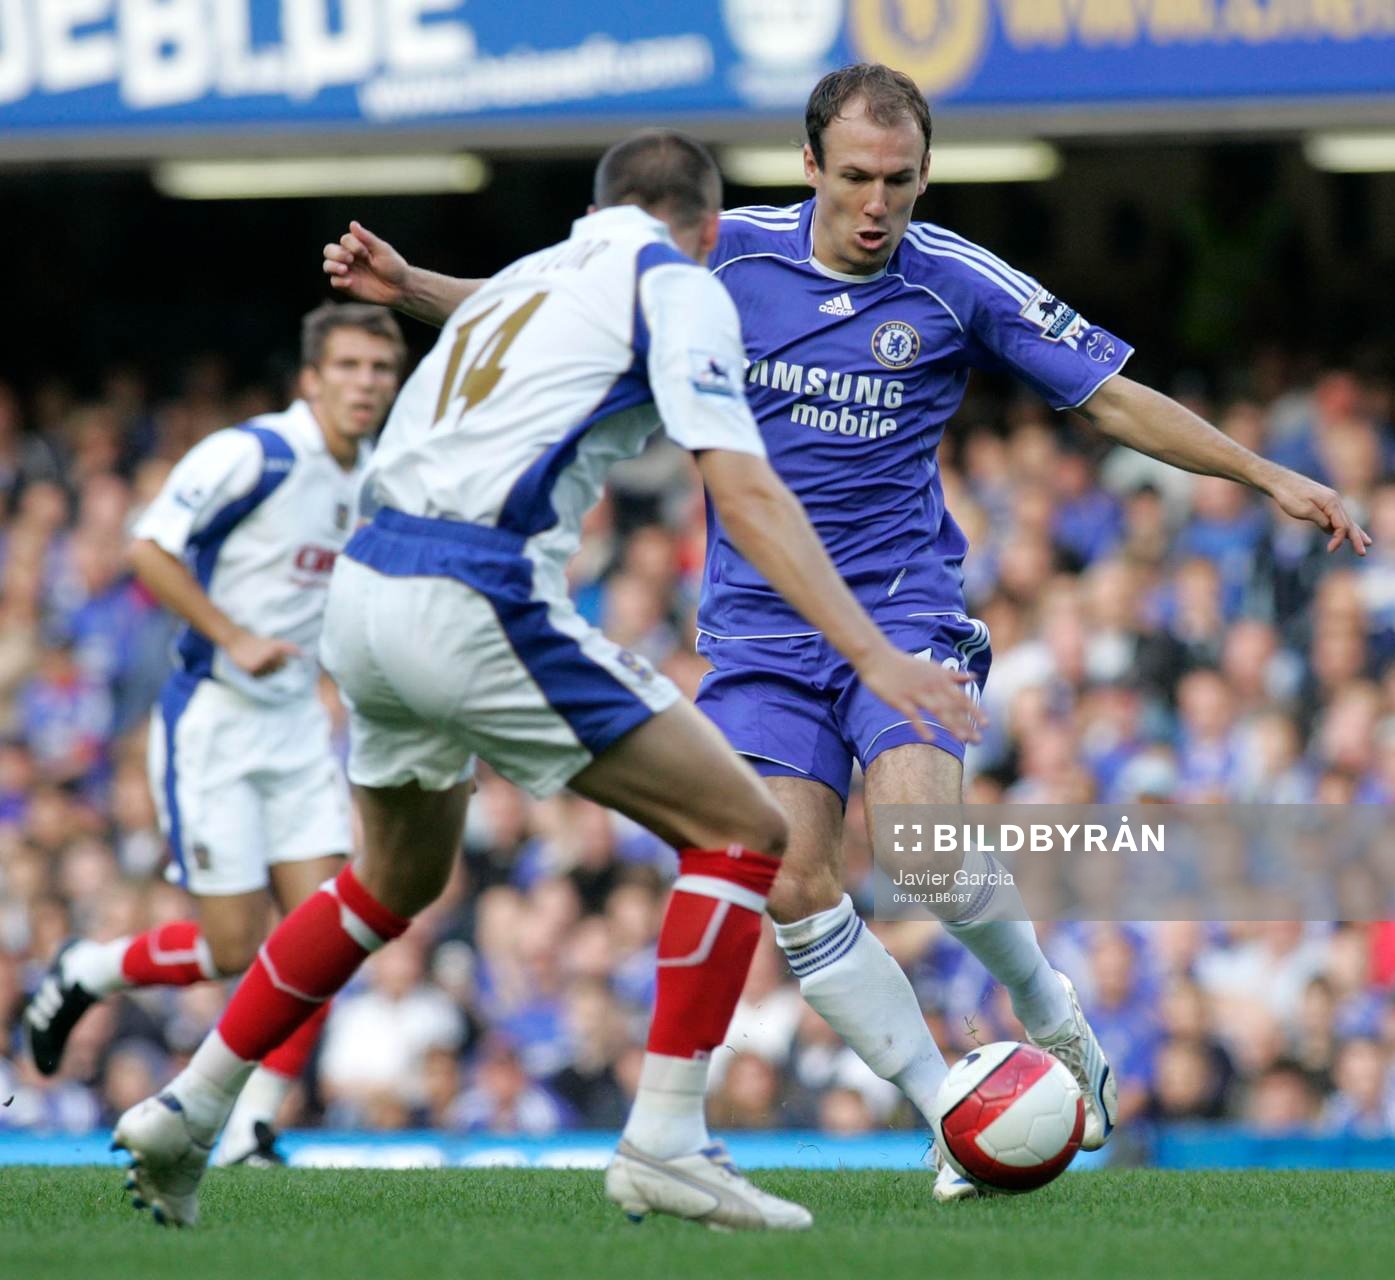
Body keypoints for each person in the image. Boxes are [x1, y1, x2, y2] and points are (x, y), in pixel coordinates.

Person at [319, 66, 1371, 1197]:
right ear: (810, 164)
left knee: (919, 841)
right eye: (859, 177)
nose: (879, 204)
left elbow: (1108, 395)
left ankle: (1052, 1011)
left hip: (904, 608)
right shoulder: (727, 255)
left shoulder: (957, 280)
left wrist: (1264, 472)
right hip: (760, 636)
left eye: (903, 181)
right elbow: (548, 312)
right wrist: (405, 282)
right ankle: (947, 1106)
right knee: (790, 877)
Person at [112, 130, 973, 1230]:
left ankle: (189, 1107)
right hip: (474, 588)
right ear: (708, 230)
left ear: (598, 208)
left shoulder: (530, 275)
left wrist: (413, 281)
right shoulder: (681, 280)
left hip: (364, 593)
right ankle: (666, 1138)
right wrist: (872, 649)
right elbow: (744, 492)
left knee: (388, 882)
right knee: (746, 831)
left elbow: (494, 325)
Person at [24, 304, 404, 1166]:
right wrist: (233, 635)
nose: (364, 384)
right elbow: (149, 547)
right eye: (347, 366)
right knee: (235, 946)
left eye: (380, 370)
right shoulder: (255, 454)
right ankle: (90, 968)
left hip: (298, 727)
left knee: (331, 930)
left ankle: (255, 1126)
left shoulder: (375, 476)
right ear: (312, 378)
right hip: (214, 724)